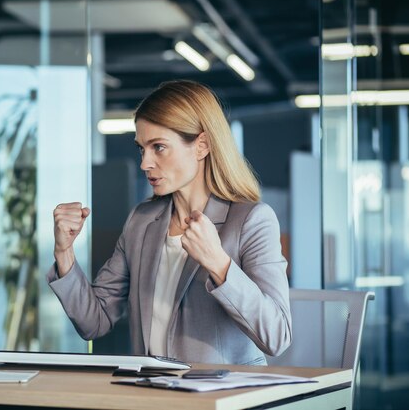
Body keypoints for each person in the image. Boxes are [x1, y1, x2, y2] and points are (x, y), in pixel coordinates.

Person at [47, 80, 292, 365]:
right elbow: (94, 321)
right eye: (142, 149)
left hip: (223, 399)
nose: (145, 163)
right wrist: (64, 252)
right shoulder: (141, 221)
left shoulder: (252, 220)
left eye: (159, 147)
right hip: (154, 395)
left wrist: (219, 264)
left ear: (202, 146)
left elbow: (277, 336)